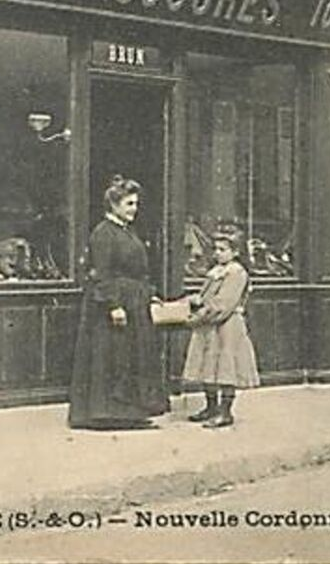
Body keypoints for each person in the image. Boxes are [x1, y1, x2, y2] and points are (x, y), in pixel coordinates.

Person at [68, 175, 168, 430]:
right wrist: (113, 305)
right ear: (113, 205)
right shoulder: (103, 233)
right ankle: (108, 413)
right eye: (129, 204)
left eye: (136, 204)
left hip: (133, 302)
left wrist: (148, 294)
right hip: (113, 305)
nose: (134, 209)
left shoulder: (126, 231)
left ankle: (130, 412)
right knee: (113, 357)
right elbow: (100, 273)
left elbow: (136, 269)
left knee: (130, 356)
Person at [182, 231, 260, 428]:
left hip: (227, 326)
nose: (217, 253)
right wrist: (194, 301)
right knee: (209, 365)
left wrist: (198, 316)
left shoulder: (236, 273)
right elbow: (207, 297)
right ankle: (211, 407)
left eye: (222, 249)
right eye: (215, 249)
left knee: (226, 367)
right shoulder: (217, 270)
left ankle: (225, 412)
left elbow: (223, 304)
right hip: (210, 324)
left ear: (235, 252)